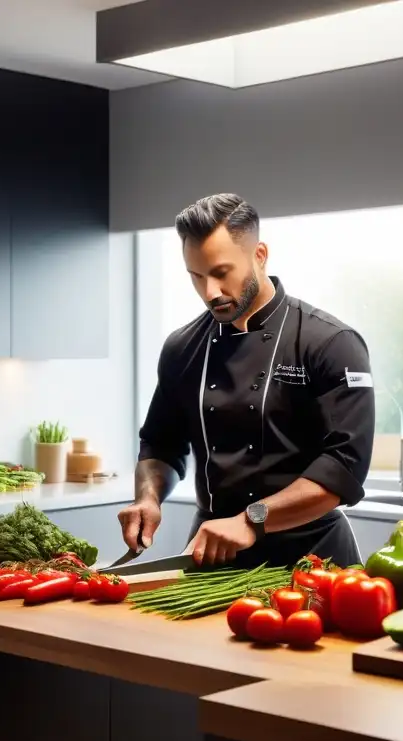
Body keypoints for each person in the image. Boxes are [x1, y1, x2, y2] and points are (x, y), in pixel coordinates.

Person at [118, 193, 376, 568]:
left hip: (314, 560)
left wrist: (251, 519)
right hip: (210, 555)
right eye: (197, 276)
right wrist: (148, 497)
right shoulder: (181, 348)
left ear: (259, 255)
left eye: (221, 273)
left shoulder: (331, 343)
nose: (210, 292)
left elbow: (343, 469)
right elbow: (161, 443)